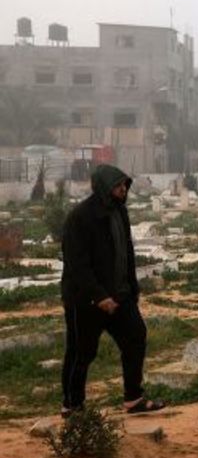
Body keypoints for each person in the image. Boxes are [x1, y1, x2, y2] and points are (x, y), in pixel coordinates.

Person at [60, 164, 165, 415]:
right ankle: (72, 405)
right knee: (81, 352)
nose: (122, 190)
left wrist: (131, 289)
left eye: (124, 186)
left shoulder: (120, 212)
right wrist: (99, 296)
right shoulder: (80, 217)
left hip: (120, 296)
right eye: (118, 186)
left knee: (135, 336)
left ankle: (133, 397)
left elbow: (125, 253)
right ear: (105, 188)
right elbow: (78, 264)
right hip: (86, 300)